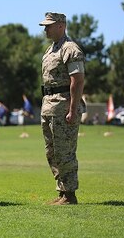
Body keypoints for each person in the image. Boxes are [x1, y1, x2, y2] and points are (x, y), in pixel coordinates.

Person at [39, 12, 86, 205]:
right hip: (49, 104)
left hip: (63, 104)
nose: (45, 29)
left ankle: (70, 194)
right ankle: (62, 192)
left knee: (64, 151)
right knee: (52, 151)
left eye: (49, 25)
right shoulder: (51, 50)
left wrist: (73, 109)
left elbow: (77, 80)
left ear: (61, 25)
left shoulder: (70, 48)